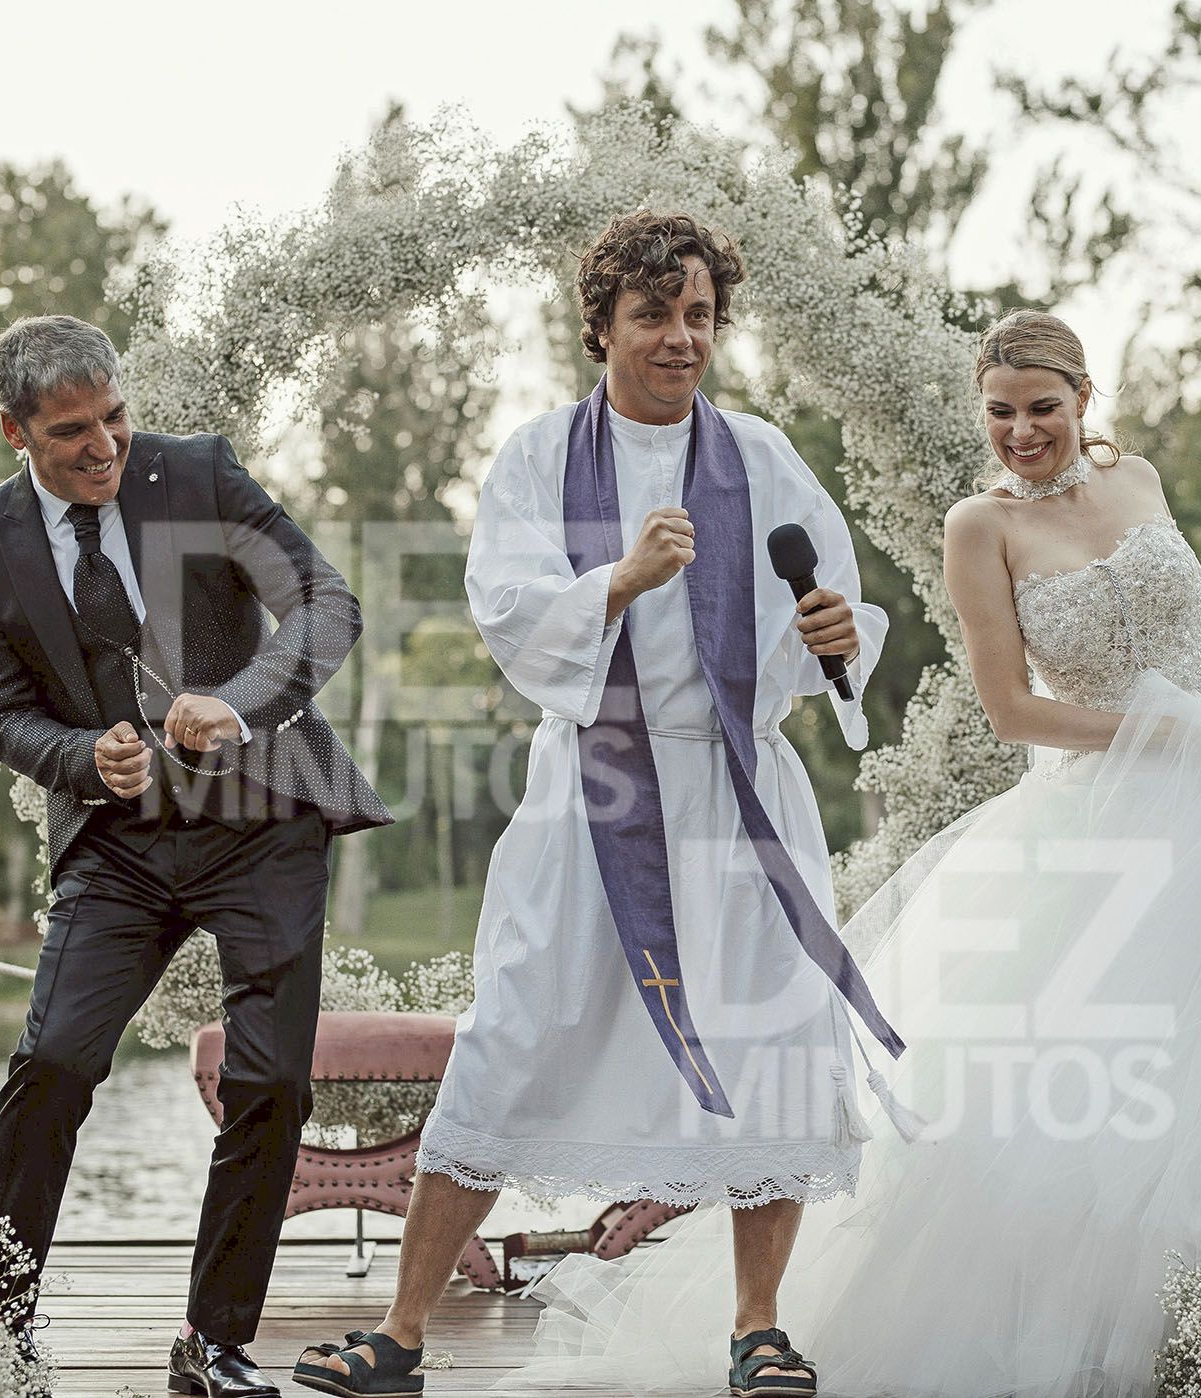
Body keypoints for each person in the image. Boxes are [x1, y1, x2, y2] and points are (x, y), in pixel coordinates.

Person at [498, 309, 1201, 1396]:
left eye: (1040, 407)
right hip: (1126, 807)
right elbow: (1010, 711)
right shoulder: (976, 529)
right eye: (998, 412)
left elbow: (1196, 628)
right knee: (1150, 1073)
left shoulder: (1134, 481)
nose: (1020, 432)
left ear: (1084, 402)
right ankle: (1154, 1320)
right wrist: (1162, 741)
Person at [292, 211, 897, 1397]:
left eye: (699, 317)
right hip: (594, 791)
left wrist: (837, 637)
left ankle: (757, 1328)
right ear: (600, 325)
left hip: (733, 794)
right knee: (515, 1030)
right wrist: (619, 578)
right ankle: (401, 1337)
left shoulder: (762, 456)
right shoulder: (533, 458)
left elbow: (824, 603)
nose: (681, 339)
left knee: (769, 1039)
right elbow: (507, 613)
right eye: (653, 315)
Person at [0, 314, 392, 1398]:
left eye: (113, 418)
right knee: (52, 1063)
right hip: (117, 849)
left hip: (264, 822)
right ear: (15, 429)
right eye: (70, 434)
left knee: (271, 1078)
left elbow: (328, 606)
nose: (103, 449)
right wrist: (84, 757)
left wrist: (235, 705)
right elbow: (3, 714)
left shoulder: (196, 474)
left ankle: (214, 1343)